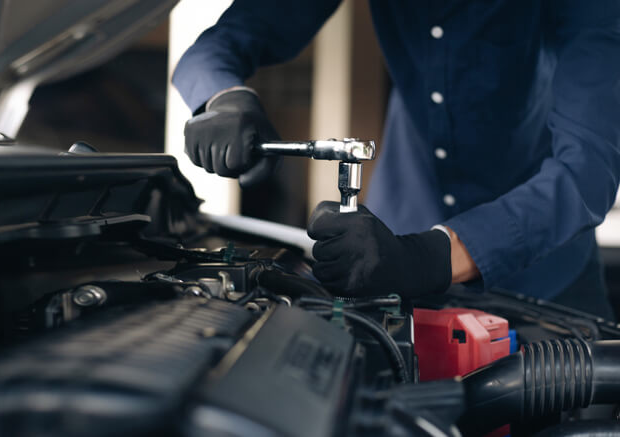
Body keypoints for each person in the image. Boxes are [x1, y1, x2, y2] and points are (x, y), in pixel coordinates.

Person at [172, 0, 620, 319]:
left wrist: (428, 257)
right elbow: (215, 48)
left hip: (548, 276)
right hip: (388, 259)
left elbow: (588, 172)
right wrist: (225, 98)